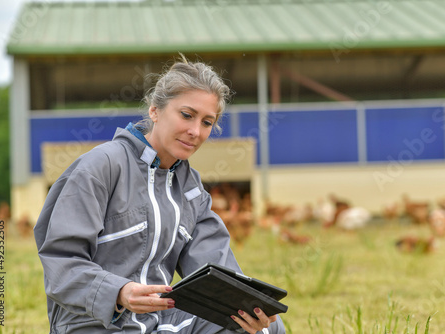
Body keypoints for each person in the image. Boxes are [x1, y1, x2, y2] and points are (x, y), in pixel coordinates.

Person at [34, 55, 286, 334]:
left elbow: (217, 272)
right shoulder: (101, 167)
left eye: (207, 122)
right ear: (155, 111)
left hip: (159, 320)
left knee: (260, 329)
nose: (195, 131)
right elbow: (61, 262)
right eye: (187, 115)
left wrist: (246, 306)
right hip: (92, 323)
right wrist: (119, 291)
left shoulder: (191, 189)